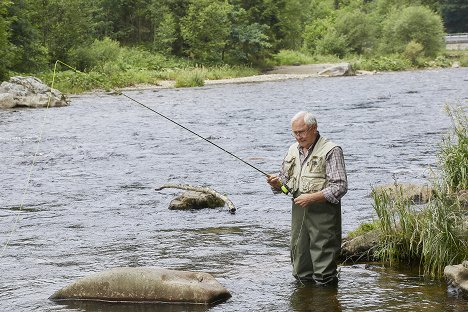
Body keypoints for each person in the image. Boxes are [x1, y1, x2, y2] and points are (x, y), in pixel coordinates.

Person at [267, 111, 347, 286]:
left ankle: (327, 301)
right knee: (300, 264)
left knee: (324, 269)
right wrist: (276, 185)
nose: (298, 137)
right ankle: (304, 300)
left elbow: (340, 187)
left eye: (302, 132)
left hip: (324, 217)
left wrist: (311, 198)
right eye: (295, 133)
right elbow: (286, 185)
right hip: (299, 215)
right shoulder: (292, 150)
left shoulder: (331, 150)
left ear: (314, 128)